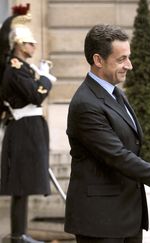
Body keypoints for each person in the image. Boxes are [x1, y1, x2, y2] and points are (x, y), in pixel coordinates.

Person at [64, 24, 150, 243]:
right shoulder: (86, 103)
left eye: (128, 58)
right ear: (98, 60)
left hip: (126, 215)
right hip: (100, 221)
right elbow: (118, 156)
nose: (129, 66)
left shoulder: (116, 93)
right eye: (121, 59)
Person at [0, 4, 56, 243]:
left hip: (30, 128)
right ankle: (17, 235)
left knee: (24, 185)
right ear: (20, 45)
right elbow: (36, 95)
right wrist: (45, 78)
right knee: (20, 186)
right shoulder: (13, 68)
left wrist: (39, 74)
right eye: (31, 43)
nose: (35, 46)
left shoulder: (23, 67)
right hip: (22, 129)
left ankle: (19, 234)